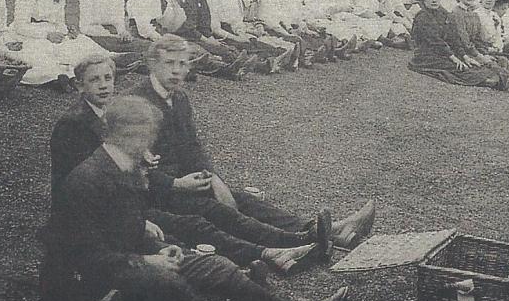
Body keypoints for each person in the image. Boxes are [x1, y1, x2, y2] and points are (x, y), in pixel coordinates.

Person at [42, 95, 350, 301]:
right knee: (167, 280)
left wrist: (154, 243)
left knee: (215, 265)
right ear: (128, 136)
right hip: (87, 281)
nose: (150, 146)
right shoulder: (88, 180)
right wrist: (148, 260)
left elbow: (121, 227)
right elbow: (85, 255)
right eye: (147, 138)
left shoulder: (125, 166)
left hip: (127, 256)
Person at [47, 56, 323, 275]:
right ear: (80, 85)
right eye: (94, 80)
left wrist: (145, 159)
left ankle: (294, 239)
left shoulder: (116, 110)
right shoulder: (74, 125)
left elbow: (177, 148)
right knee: (196, 223)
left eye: (108, 78)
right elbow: (81, 184)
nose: (104, 85)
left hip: (133, 197)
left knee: (229, 200)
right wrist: (151, 200)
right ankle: (269, 253)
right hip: (105, 213)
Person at [125, 36, 376, 249]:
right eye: (169, 63)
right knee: (217, 210)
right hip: (154, 193)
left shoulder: (179, 97)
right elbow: (130, 167)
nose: (177, 70)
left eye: (182, 63)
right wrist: (176, 184)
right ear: (152, 64)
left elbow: (192, 146)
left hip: (185, 181)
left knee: (242, 200)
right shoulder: (135, 103)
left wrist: (213, 178)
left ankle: (316, 229)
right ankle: (302, 241)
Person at [10, 0, 110, 86]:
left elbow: (60, 21)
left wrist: (68, 31)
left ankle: (105, 65)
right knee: (43, 52)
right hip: (30, 33)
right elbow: (20, 25)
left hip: (54, 32)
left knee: (82, 42)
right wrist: (46, 35)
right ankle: (59, 78)